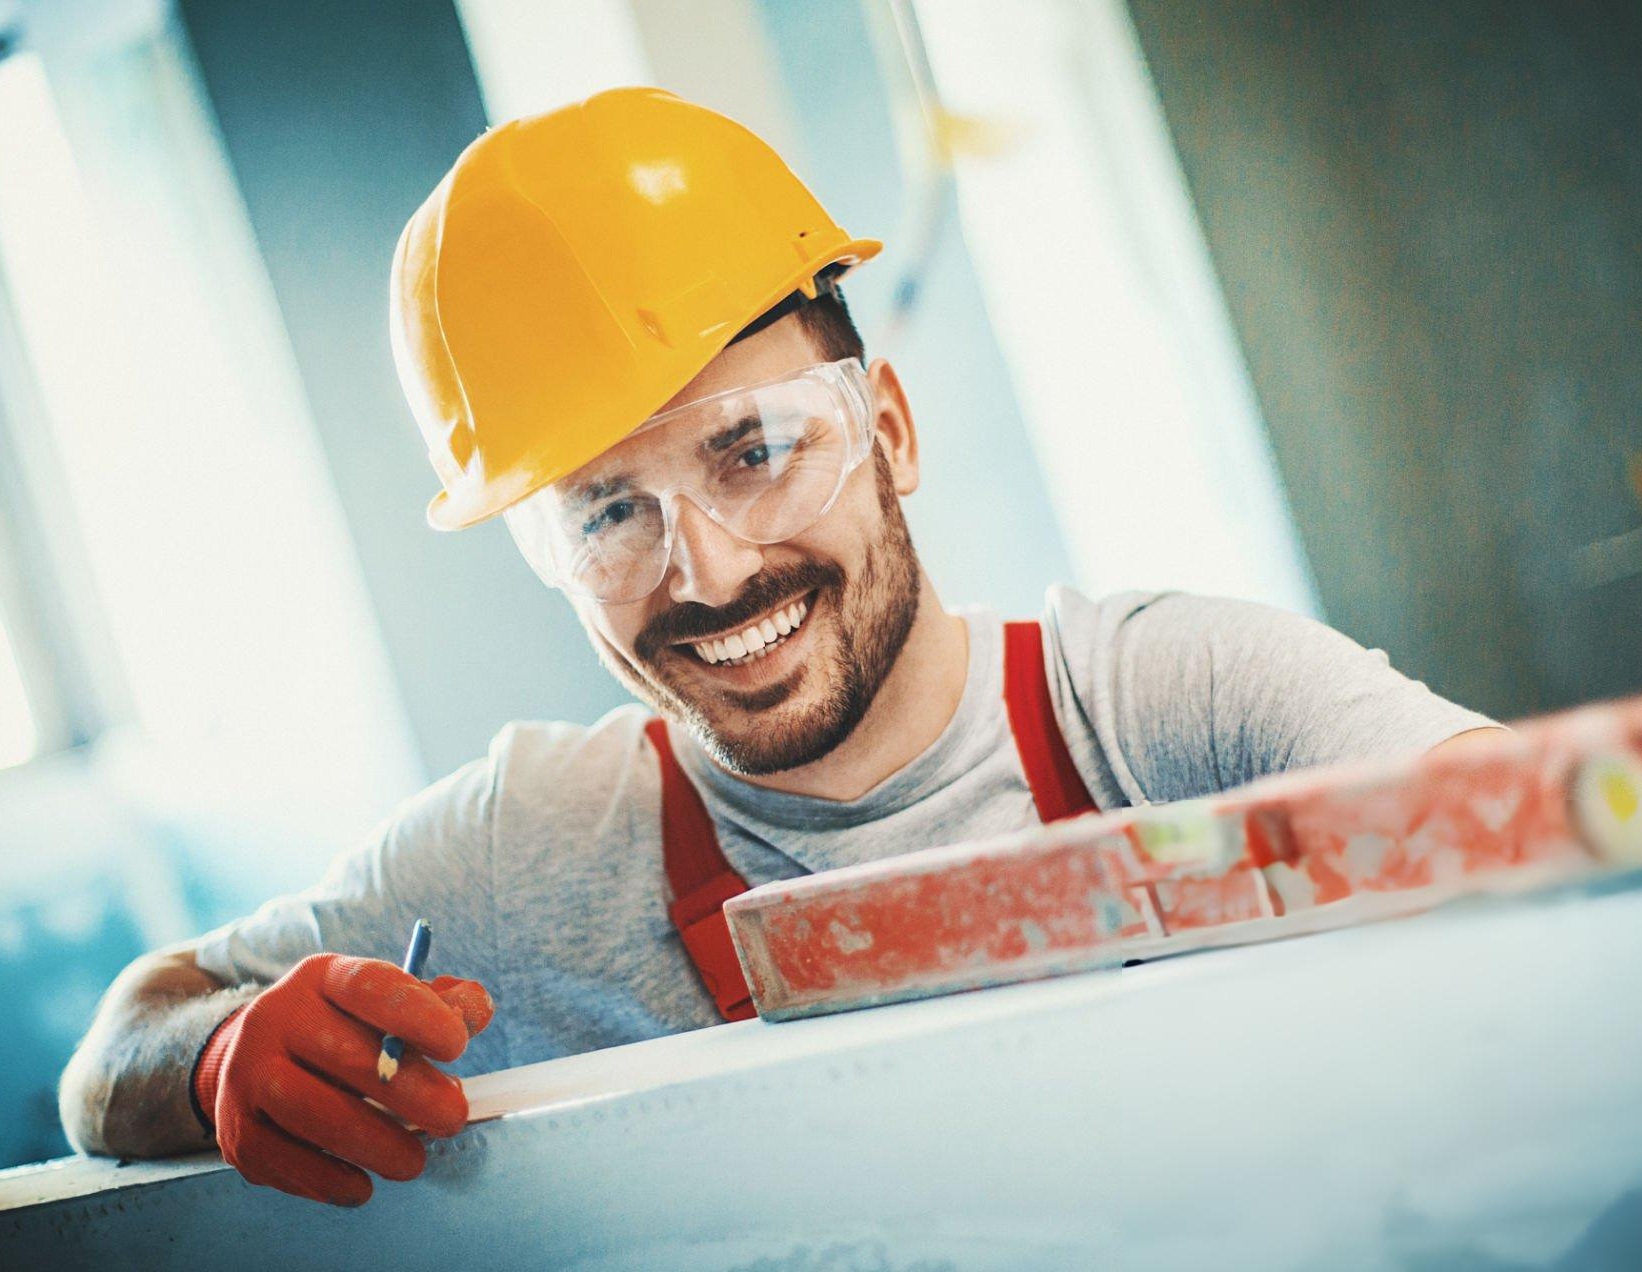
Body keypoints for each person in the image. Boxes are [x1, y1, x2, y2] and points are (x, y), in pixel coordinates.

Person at [57, 88, 1497, 1207]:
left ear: (888, 431)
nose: (707, 570)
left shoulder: (1172, 709)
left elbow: (1556, 828)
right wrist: (211, 1058)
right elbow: (121, 1044)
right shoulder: (524, 846)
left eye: (752, 451)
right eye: (609, 510)